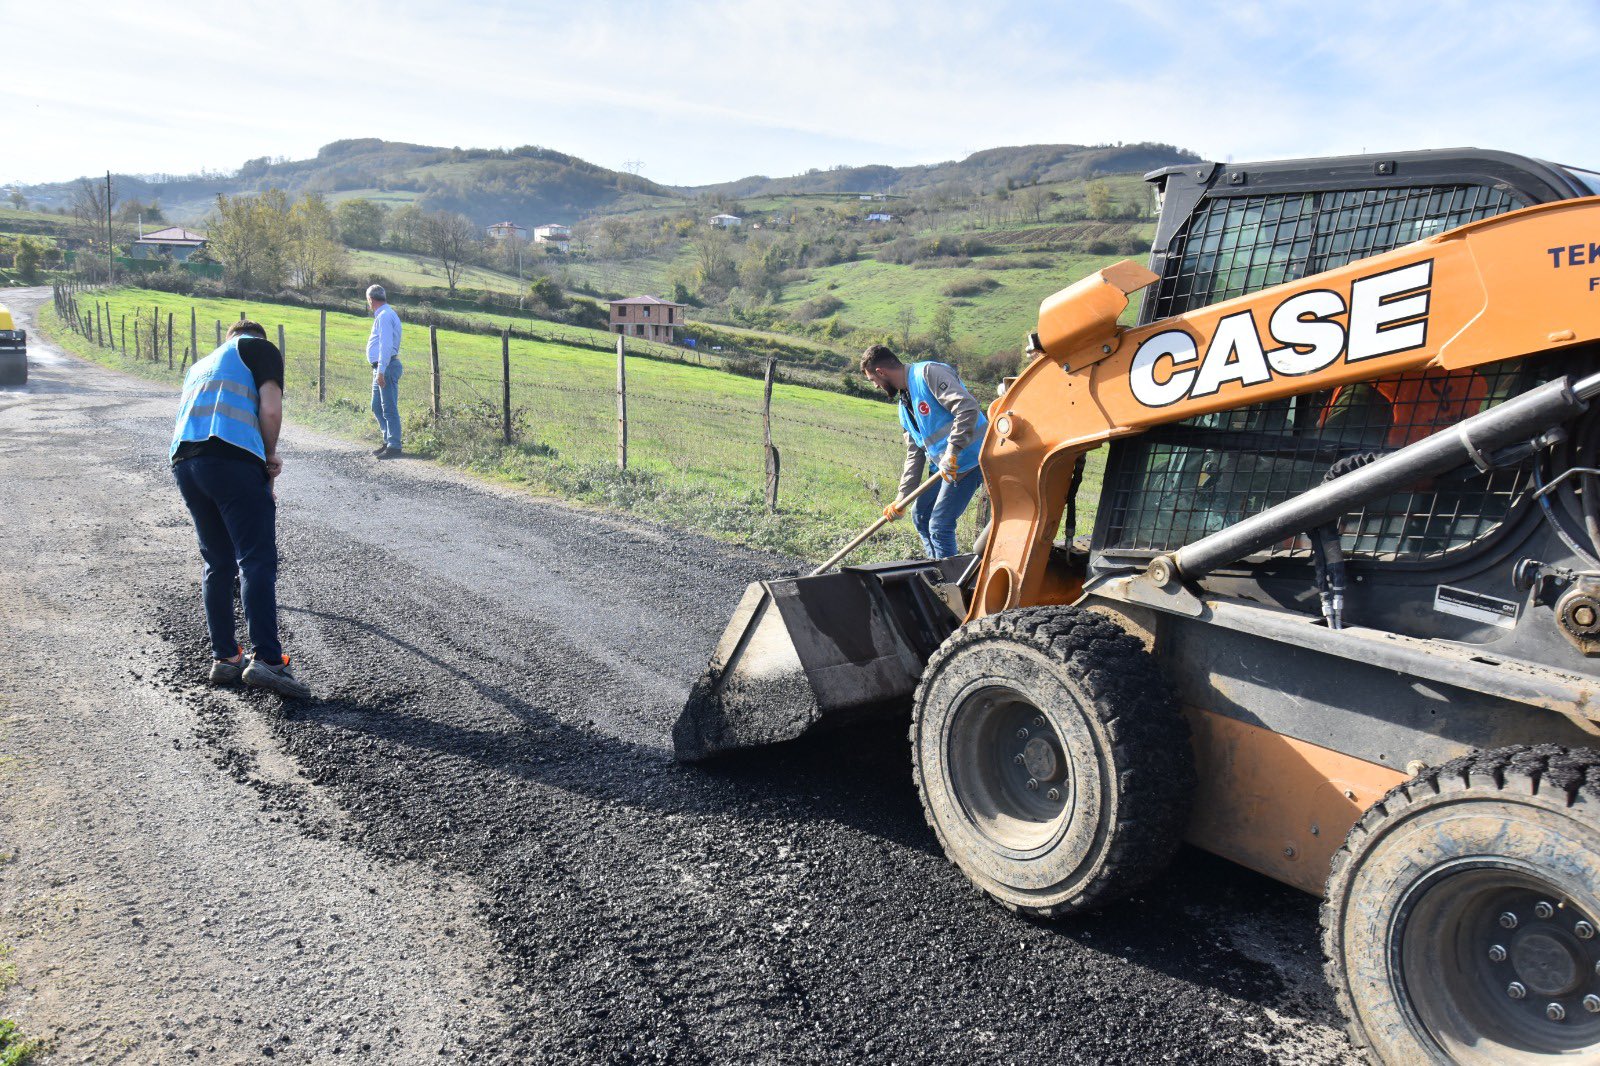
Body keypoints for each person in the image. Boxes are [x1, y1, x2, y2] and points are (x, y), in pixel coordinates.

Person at [170, 321, 311, 699]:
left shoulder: (201, 365)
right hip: (232, 461)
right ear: (254, 335)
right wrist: (269, 457)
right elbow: (271, 410)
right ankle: (267, 659)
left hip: (186, 462)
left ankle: (226, 657)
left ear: (227, 336)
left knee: (217, 563)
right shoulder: (259, 349)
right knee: (256, 560)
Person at [861, 344, 989, 559]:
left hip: (970, 459)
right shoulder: (904, 407)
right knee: (920, 515)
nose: (875, 386)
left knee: (940, 525)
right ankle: (936, 568)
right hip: (945, 466)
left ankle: (950, 583)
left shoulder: (928, 373)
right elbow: (914, 454)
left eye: (873, 380)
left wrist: (952, 451)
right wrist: (901, 498)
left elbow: (967, 408)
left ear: (881, 372)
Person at [366, 283, 403, 457]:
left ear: (370, 300)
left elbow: (385, 345)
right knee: (377, 406)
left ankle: (394, 445)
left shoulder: (384, 316)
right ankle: (388, 440)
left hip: (385, 367)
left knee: (388, 407)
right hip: (382, 367)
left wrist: (381, 370)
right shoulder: (385, 314)